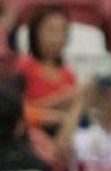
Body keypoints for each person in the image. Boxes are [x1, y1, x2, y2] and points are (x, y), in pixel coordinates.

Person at [15, 4, 76, 134]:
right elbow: (15, 110)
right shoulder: (23, 67)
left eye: (62, 31)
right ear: (35, 33)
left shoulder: (68, 74)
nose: (56, 38)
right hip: (31, 135)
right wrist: (58, 102)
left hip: (64, 134)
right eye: (50, 30)